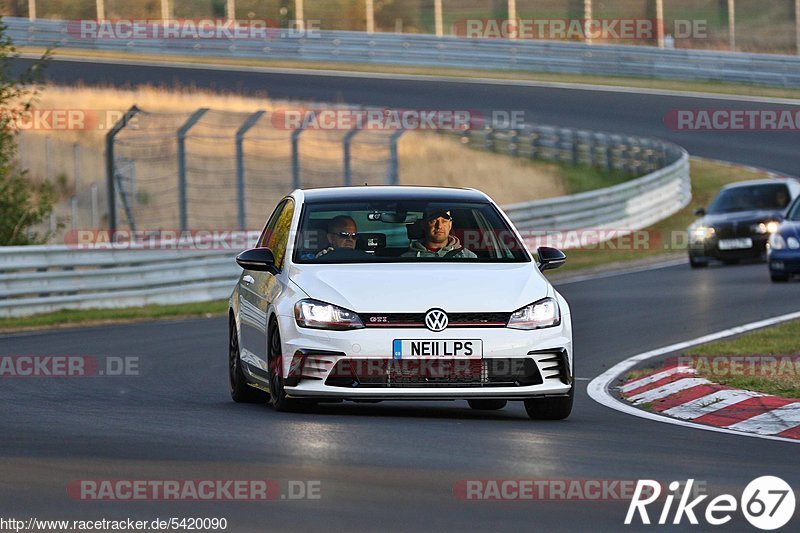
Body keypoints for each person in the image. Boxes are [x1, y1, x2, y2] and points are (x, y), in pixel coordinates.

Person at [402, 208, 477, 258]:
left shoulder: (468, 257)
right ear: (423, 225)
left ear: (450, 225)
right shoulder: (406, 259)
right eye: (433, 221)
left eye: (444, 221)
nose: (439, 226)